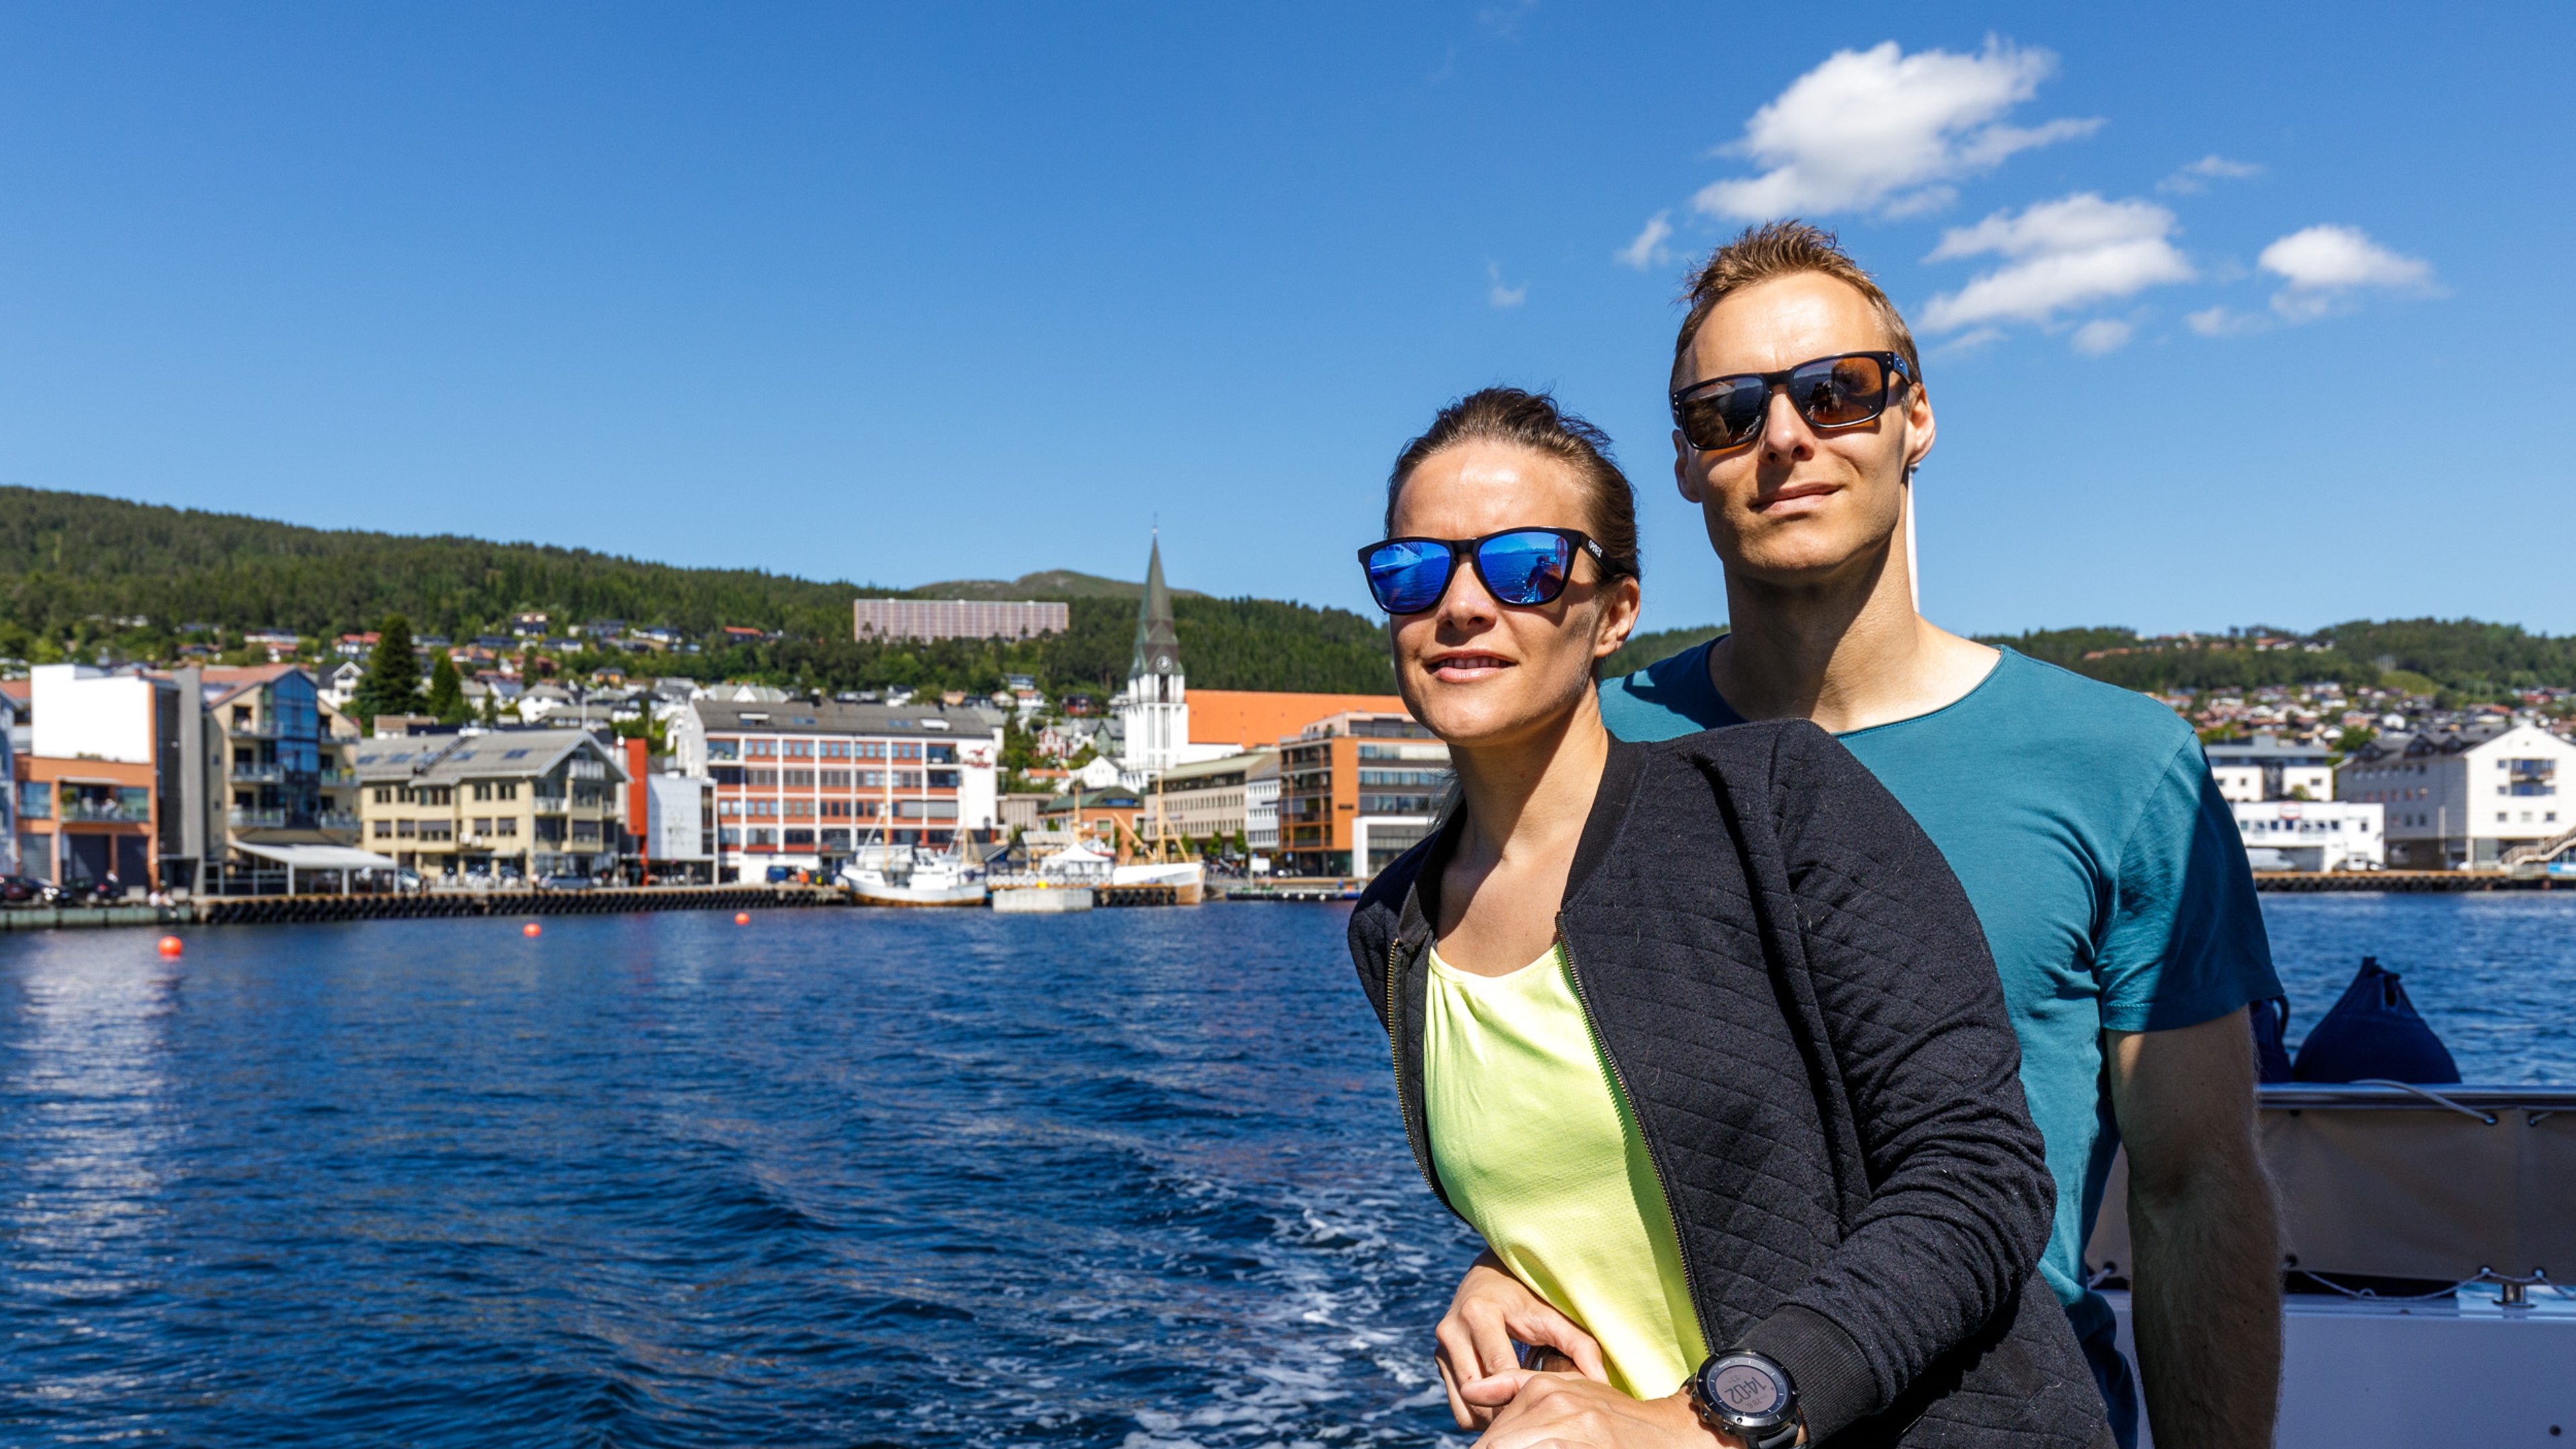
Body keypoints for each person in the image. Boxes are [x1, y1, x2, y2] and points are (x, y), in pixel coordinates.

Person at [1444, 223, 2280, 1449]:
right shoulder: (1588, 756)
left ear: (1916, 419)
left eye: (1837, 392)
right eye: (1729, 414)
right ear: (1686, 461)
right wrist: (1501, 1265)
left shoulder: (2120, 766)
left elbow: (2194, 1186)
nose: (1785, 437)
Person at [1348, 388, 2110, 1448]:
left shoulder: (1770, 804)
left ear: (1614, 612)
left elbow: (1980, 1176)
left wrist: (1712, 1421)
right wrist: (1501, 1268)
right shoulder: (1397, 928)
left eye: (1524, 565)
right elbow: (1626, 1173)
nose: (1462, 605)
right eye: (1416, 569)